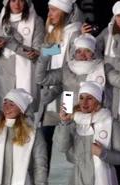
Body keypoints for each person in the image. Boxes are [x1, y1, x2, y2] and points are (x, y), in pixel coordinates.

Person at [84, 0, 120, 185]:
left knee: (118, 139)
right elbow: (91, 48)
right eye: (119, 16)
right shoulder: (108, 33)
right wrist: (86, 36)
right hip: (108, 95)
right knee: (116, 140)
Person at [38, 0, 84, 174]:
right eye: (49, 10)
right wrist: (41, 52)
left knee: (73, 143)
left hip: (68, 94)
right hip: (52, 94)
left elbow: (73, 64)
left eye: (52, 10)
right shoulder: (54, 31)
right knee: (43, 141)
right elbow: (51, 53)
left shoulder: (75, 33)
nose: (49, 14)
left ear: (63, 12)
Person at [0, 0, 45, 119]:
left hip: (27, 75)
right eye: (13, 0)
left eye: (21, 0)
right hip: (4, 77)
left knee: (24, 123)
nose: (17, 4)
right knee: (1, 121)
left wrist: (12, 43)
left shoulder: (36, 20)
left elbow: (37, 54)